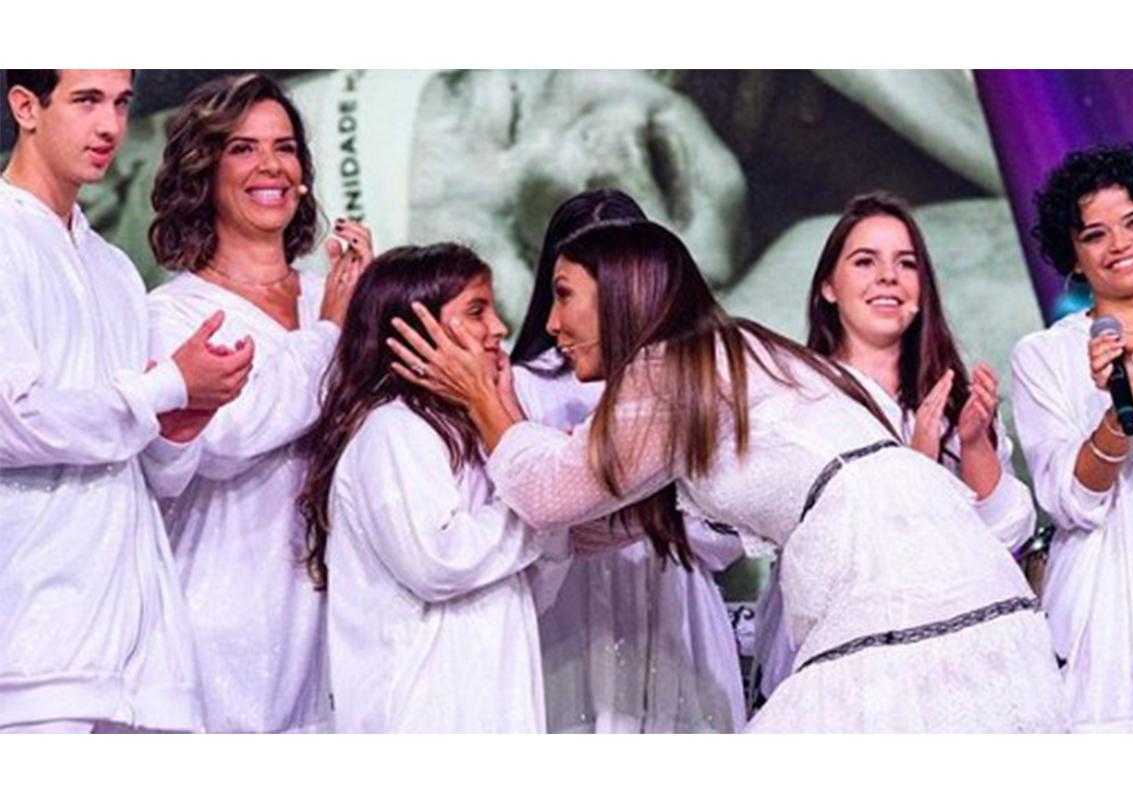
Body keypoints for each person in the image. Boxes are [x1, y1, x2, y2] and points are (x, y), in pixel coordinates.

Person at [390, 219, 1066, 733]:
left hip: (891, 589)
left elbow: (550, 495)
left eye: (565, 296)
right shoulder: (732, 349)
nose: (550, 322)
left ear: (619, 293)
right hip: (950, 578)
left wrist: (481, 397)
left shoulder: (671, 365)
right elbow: (605, 522)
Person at [0, 69, 252, 733]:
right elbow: (12, 419)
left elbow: (150, 474)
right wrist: (166, 385)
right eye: (86, 101)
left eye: (120, 103)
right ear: (25, 106)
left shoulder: (114, 268)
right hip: (31, 658)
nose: (110, 125)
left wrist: (181, 423)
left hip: (141, 665)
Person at [144, 74, 372, 733]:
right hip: (227, 619)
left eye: (285, 147)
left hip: (344, 617)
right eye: (242, 148)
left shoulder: (332, 294)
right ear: (203, 170)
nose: (270, 165)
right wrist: (331, 335)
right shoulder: (174, 314)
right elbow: (229, 435)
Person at [751, 191, 1037, 703]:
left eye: (906, 264)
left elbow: (1005, 533)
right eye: (865, 261)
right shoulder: (797, 404)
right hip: (840, 662)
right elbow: (812, 547)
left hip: (950, 658)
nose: (888, 277)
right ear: (828, 287)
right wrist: (916, 467)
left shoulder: (950, 401)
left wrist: (974, 445)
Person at [300, 244, 565, 733]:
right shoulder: (392, 430)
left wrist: (516, 432)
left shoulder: (476, 433)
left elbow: (539, 583)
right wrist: (537, 498)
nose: (499, 328)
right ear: (415, 331)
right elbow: (439, 562)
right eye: (476, 311)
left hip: (491, 702)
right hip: (421, 712)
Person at [510, 189, 746, 733]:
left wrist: (648, 502)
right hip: (572, 621)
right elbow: (535, 513)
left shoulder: (688, 376)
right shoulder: (525, 385)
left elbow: (728, 535)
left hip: (676, 610)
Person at [1012, 143, 1133, 732]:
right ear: (1073, 255)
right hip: (1102, 631)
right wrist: (1119, 421)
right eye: (1095, 234)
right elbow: (1068, 501)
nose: (1120, 243)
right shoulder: (1044, 356)